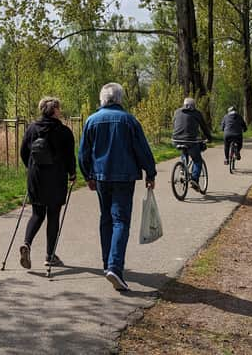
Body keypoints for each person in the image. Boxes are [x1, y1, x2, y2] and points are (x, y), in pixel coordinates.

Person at [78, 83, 156, 292]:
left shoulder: (91, 121)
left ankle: (107, 264)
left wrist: (88, 176)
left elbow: (83, 152)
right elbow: (142, 149)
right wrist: (150, 172)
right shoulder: (128, 120)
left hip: (101, 177)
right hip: (124, 176)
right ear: (120, 99)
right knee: (120, 220)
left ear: (102, 99)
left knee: (106, 218)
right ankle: (114, 266)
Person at [18, 96, 77, 270]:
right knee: (53, 216)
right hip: (56, 178)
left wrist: (31, 168)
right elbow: (69, 157)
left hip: (36, 177)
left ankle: (27, 244)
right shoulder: (64, 132)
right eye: (59, 108)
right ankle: (50, 256)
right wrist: (72, 174)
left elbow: (23, 152)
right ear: (54, 110)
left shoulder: (31, 129)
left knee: (37, 214)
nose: (61, 110)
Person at [172, 97, 212, 192]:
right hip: (191, 141)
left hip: (176, 139)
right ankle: (194, 179)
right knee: (197, 160)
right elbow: (204, 127)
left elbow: (174, 123)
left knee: (184, 150)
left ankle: (182, 168)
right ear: (194, 106)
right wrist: (209, 138)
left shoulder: (177, 112)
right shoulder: (197, 113)